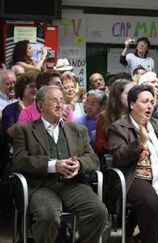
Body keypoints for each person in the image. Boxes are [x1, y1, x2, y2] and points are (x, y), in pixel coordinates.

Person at [12, 86, 107, 243]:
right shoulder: (25, 130)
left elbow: (93, 158)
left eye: (62, 100)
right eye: (54, 100)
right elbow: (19, 160)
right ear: (40, 105)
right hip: (41, 185)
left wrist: (80, 165)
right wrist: (52, 165)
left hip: (72, 184)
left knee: (98, 211)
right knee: (47, 216)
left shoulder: (78, 129)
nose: (60, 104)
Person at [108, 84, 158, 243]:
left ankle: (141, 239)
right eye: (145, 101)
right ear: (132, 104)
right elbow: (119, 158)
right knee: (151, 204)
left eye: (152, 102)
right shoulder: (119, 127)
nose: (150, 106)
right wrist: (139, 142)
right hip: (134, 176)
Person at [95, 79, 134, 156]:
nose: (131, 97)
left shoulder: (135, 114)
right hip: (113, 158)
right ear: (118, 95)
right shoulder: (104, 116)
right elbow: (100, 145)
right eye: (128, 94)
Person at [2, 72, 37, 147]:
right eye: (32, 86)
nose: (35, 89)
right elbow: (10, 134)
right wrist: (25, 116)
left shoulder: (42, 107)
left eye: (37, 86)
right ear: (22, 88)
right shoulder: (10, 109)